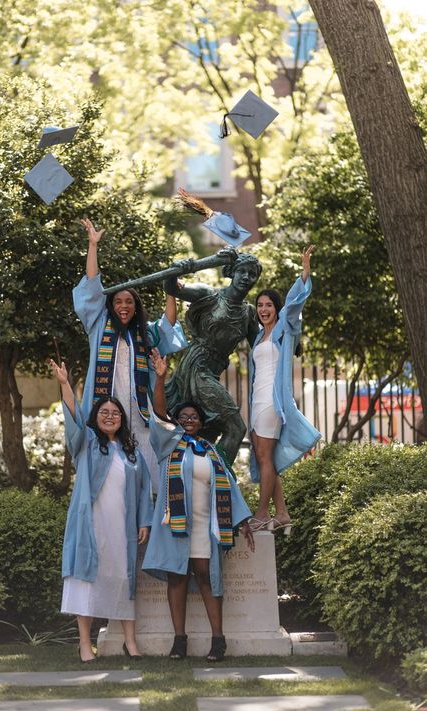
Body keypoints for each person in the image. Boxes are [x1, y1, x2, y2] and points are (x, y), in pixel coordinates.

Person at [142, 349, 255, 662]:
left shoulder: (210, 451)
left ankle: (218, 641)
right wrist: (161, 377)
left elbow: (228, 487)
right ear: (178, 422)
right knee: (177, 578)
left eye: (194, 417)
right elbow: (160, 414)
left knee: (207, 576)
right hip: (176, 526)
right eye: (184, 417)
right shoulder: (169, 445)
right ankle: (179, 641)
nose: (188, 420)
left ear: (201, 423)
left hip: (206, 526)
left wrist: (242, 521)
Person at [50, 358, 154, 662]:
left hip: (121, 528)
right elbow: (73, 417)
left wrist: (144, 521)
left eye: (115, 413)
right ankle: (85, 644)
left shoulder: (131, 454)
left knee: (122, 579)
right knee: (86, 582)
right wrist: (65, 383)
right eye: (104, 413)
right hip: (91, 525)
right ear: (96, 418)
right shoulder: (87, 443)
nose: (110, 416)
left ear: (122, 419)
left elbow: (145, 491)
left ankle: (130, 643)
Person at [74, 218, 187, 492]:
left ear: (136, 307)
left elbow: (168, 324)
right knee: (111, 477)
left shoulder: (145, 335)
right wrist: (92, 246)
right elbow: (91, 288)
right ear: (111, 306)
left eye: (129, 302)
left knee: (147, 474)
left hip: (139, 413)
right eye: (118, 301)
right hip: (108, 413)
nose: (123, 306)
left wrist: (170, 288)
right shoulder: (99, 327)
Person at [163, 250, 261, 465]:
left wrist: (288, 333)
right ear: (231, 273)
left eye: (252, 274)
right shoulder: (210, 295)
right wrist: (184, 267)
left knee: (208, 430)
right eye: (242, 271)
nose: (246, 277)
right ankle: (219, 478)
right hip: (197, 366)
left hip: (212, 372)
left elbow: (263, 349)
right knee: (236, 428)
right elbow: (170, 286)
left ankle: (199, 474)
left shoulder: (249, 314)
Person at [248, 246, 321, 534]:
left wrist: (304, 273)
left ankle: (262, 513)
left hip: (272, 402)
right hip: (256, 402)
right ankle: (282, 513)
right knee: (266, 458)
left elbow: (294, 304)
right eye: (260, 305)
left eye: (268, 305)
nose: (264, 310)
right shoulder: (258, 335)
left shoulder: (284, 328)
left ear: (277, 308)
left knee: (265, 457)